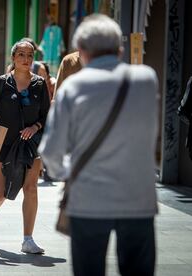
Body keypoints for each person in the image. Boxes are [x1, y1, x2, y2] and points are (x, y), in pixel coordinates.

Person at [39, 14, 158, 276]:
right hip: (139, 198)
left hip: (88, 199)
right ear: (120, 49)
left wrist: (68, 172)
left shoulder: (73, 87)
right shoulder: (146, 79)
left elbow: (51, 151)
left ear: (80, 51)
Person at [0, 40, 50, 254]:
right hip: (3, 142)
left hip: (31, 144)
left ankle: (28, 239)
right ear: (13, 58)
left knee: (31, 189)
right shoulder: (2, 83)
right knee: (0, 194)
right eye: (21, 54)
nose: (26, 59)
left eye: (30, 55)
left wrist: (35, 127)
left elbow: (47, 116)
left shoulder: (39, 84)